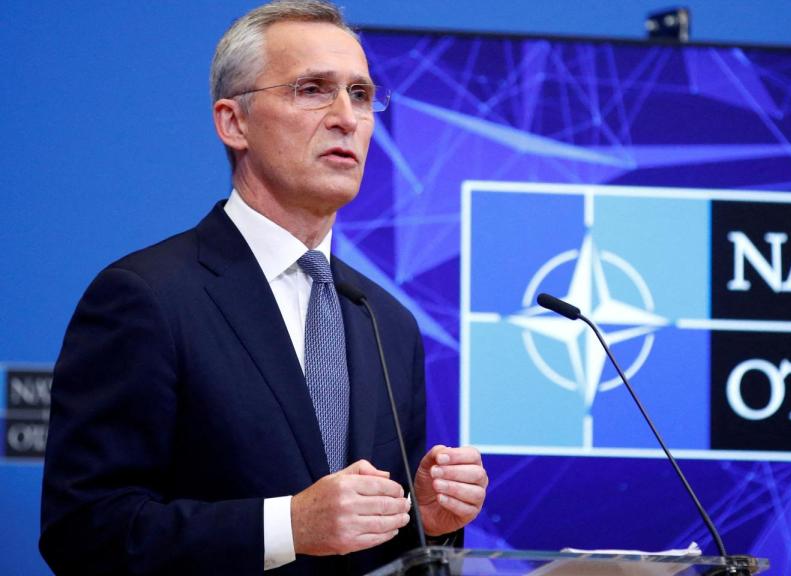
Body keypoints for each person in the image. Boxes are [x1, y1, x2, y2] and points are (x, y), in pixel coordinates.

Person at [39, 1, 488, 574]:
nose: (346, 117)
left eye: (360, 94)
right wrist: (288, 526)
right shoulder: (146, 298)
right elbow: (84, 532)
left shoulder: (386, 322)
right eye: (312, 90)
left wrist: (425, 521)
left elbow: (363, 547)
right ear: (234, 122)